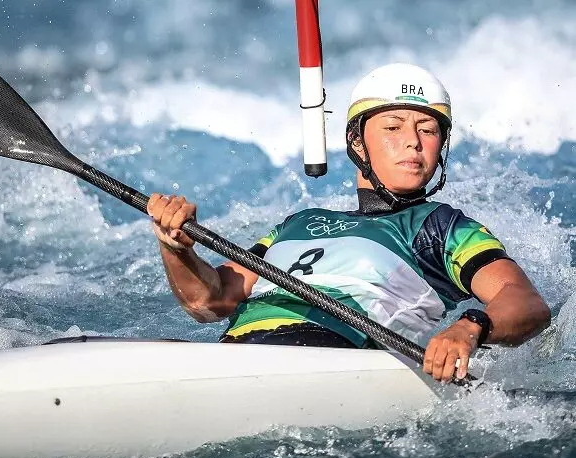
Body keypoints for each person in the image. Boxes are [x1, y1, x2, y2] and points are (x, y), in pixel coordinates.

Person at [147, 63, 550, 384]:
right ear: (357, 141)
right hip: (235, 352)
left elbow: (526, 302)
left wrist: (469, 327)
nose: (413, 141)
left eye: (428, 130)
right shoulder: (300, 223)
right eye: (393, 127)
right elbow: (210, 301)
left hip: (334, 361)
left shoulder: (442, 228)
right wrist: (175, 246)